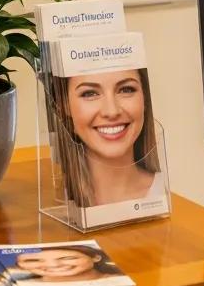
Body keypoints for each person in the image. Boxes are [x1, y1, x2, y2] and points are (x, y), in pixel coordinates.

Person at [53, 67, 163, 208]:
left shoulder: (173, 196)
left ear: (145, 98)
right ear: (64, 106)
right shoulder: (50, 202)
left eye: (126, 90)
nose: (112, 112)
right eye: (89, 93)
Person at [13, 245, 125, 284]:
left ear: (96, 257)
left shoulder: (118, 281)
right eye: (34, 260)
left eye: (68, 258)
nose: (53, 265)